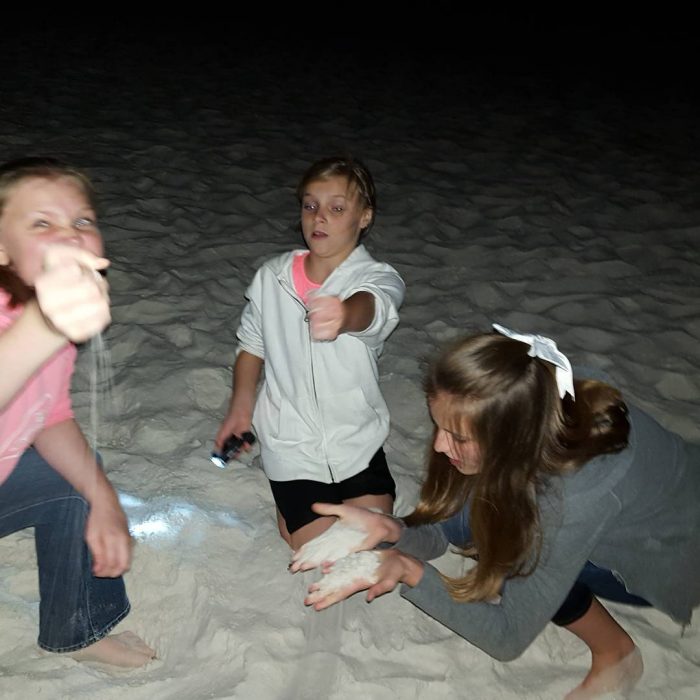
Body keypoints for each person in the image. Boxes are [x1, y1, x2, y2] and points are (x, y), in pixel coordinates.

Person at [295, 324, 700, 698]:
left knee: (508, 542)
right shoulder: (543, 388)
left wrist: (407, 570)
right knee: (482, 513)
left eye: (456, 436)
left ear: (514, 443)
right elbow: (444, 530)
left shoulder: (569, 501)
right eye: (439, 427)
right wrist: (389, 528)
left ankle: (616, 652)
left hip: (674, 557)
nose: (437, 446)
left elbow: (506, 637)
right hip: (666, 494)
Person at [0, 157, 154, 667]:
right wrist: (43, 325)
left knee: (82, 477)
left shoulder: (48, 320)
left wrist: (103, 499)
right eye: (41, 223)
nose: (69, 235)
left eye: (82, 221)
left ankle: (76, 629)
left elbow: (49, 416)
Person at [215, 155, 405, 550]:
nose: (320, 217)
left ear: (364, 217)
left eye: (337, 208)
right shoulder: (272, 277)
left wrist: (344, 313)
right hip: (291, 445)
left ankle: (299, 516)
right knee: (322, 552)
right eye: (310, 205)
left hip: (356, 441)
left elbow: (375, 308)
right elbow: (252, 345)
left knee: (372, 539)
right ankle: (291, 511)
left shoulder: (376, 277)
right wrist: (240, 409)